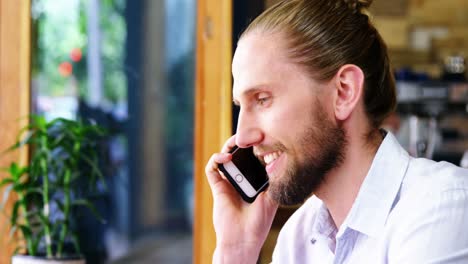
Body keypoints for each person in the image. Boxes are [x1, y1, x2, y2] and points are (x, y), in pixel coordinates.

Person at [205, 0, 468, 263]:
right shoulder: (298, 238)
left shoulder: (441, 208)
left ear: (344, 92)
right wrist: (236, 251)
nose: (243, 137)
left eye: (262, 99)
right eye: (242, 106)